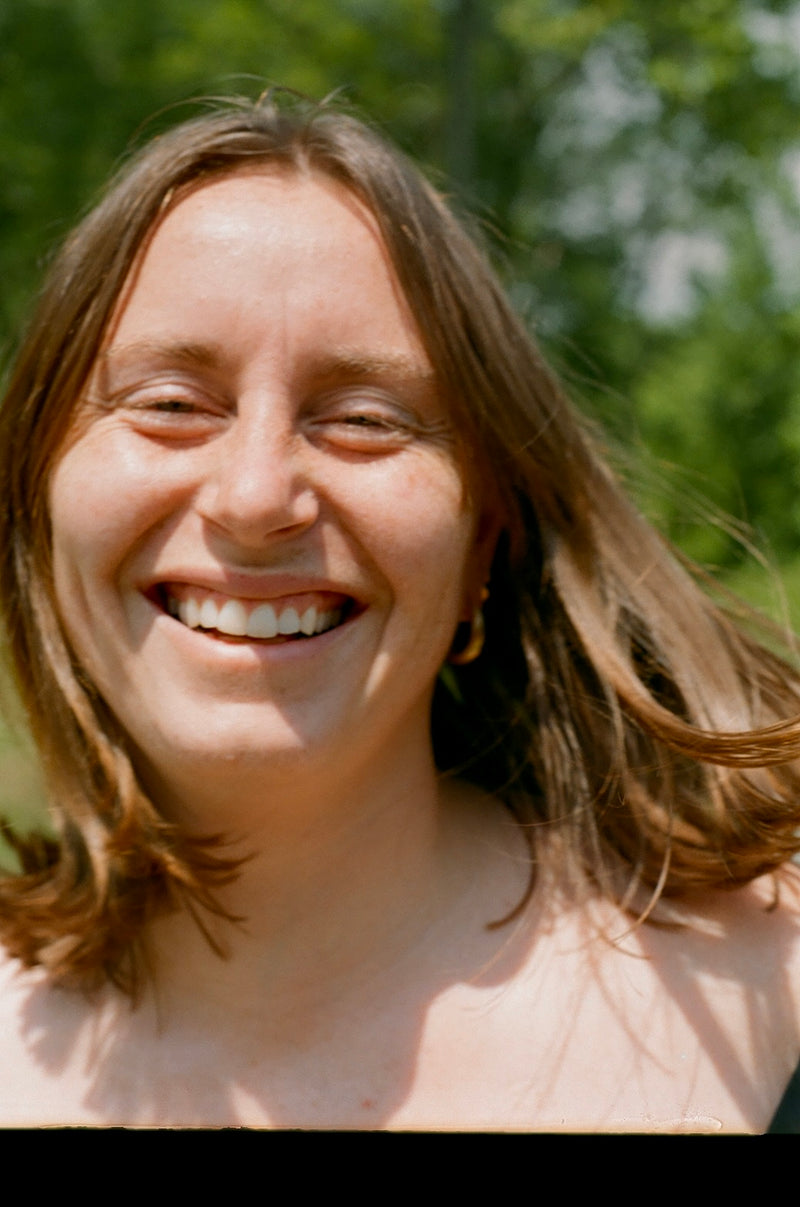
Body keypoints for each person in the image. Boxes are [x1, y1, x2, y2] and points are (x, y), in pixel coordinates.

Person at [0, 93, 799, 1132]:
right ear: (39, 504)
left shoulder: (769, 998)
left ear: (481, 546)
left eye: (365, 420)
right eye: (170, 404)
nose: (255, 497)